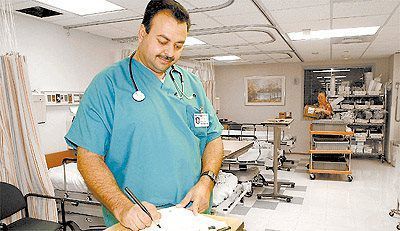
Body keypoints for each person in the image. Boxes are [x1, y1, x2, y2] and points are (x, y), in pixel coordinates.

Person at [64, 0, 224, 230]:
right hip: (138, 220)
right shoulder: (108, 84)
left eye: (179, 45)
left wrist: (206, 181)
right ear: (142, 33)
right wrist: (121, 207)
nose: (170, 53)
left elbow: (213, 138)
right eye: (163, 41)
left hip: (193, 215)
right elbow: (88, 158)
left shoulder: (191, 83)